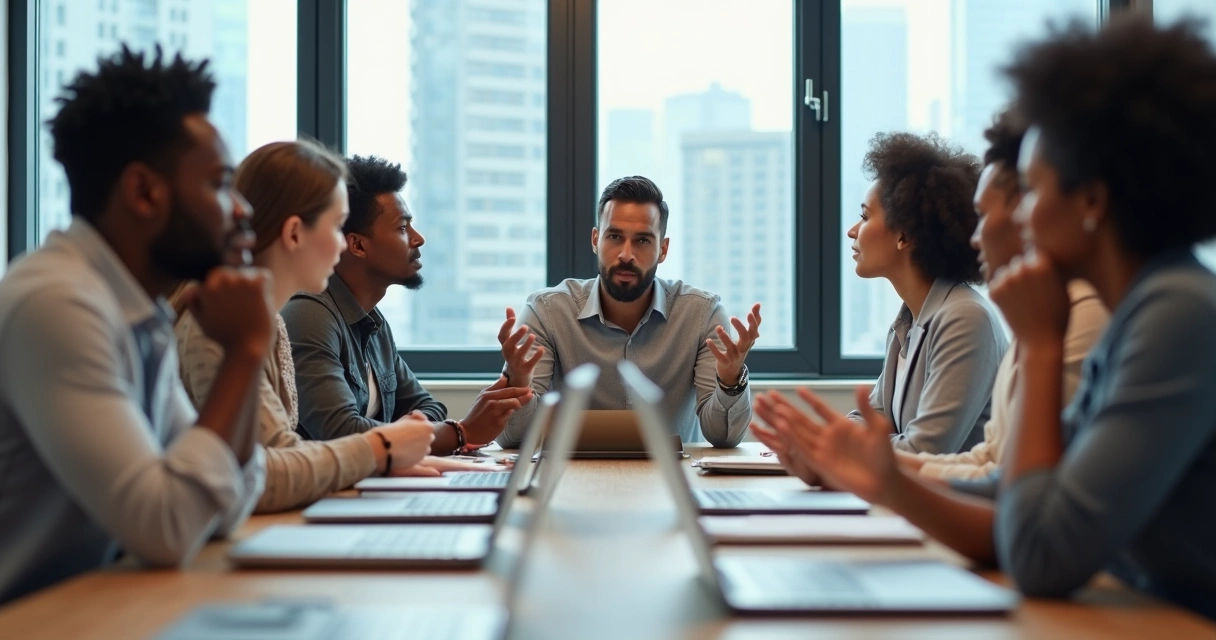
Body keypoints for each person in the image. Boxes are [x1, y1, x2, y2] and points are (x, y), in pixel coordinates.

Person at [753, 17, 1216, 619]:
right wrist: (879, 478)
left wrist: (1043, 345)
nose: (1018, 220)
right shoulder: (1142, 311)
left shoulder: (1176, 313)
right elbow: (1015, 500)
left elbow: (1039, 552)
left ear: (1092, 202)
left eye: (1036, 191)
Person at [0, 47, 269, 603]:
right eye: (220, 185)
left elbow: (227, 505)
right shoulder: (57, 303)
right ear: (144, 192)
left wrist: (244, 348)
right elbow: (167, 527)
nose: (242, 210)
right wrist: (245, 350)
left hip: (78, 610)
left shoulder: (139, 311)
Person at [175, 140, 458, 514]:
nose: (344, 246)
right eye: (339, 227)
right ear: (294, 234)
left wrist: (392, 456)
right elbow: (264, 477)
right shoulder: (216, 321)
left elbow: (281, 455)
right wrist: (383, 449)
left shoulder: (268, 320)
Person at [890, 110, 1108, 481]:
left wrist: (880, 470)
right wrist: (869, 462)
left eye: (1032, 194)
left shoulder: (1082, 319)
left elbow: (1018, 488)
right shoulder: (1042, 315)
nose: (975, 236)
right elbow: (991, 458)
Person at [283, 155, 536, 453]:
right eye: (402, 228)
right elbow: (342, 432)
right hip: (320, 498)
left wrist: (426, 434)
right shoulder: (309, 315)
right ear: (358, 245)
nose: (419, 239)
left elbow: (429, 407)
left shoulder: (373, 323)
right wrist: (459, 432)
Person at [497, 176, 760, 449]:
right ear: (596, 240)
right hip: (573, 482)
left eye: (643, 240)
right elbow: (512, 439)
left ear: (663, 249)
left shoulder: (702, 314)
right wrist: (517, 382)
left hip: (669, 483)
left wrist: (730, 380)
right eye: (614, 236)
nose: (626, 254)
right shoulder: (547, 312)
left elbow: (723, 437)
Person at [844, 132, 1007, 455]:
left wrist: (839, 447)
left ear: (904, 235)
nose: (852, 230)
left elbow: (925, 448)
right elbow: (875, 417)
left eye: (864, 216)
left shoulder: (965, 318)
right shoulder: (908, 320)